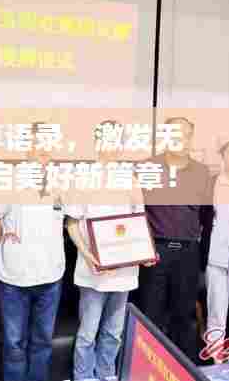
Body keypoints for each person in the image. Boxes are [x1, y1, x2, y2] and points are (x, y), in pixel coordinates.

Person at [66, 120, 155, 381]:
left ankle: (106, 374)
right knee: (87, 333)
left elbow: (139, 221)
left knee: (114, 332)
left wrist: (145, 252)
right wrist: (88, 255)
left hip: (125, 271)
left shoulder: (131, 179)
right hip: (93, 270)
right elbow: (72, 223)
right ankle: (84, 377)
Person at [0, 126, 74, 381]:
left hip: (51, 277)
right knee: (14, 344)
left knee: (43, 342)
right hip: (14, 279)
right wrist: (3, 236)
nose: (44, 149)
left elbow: (73, 220)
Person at [138, 117, 213, 363]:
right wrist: (145, 247)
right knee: (150, 315)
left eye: (185, 134)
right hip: (155, 251)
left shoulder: (201, 172)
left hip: (188, 253)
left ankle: (183, 369)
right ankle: (146, 369)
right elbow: (137, 211)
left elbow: (206, 215)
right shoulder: (148, 167)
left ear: (190, 138)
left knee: (184, 316)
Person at [204, 136, 229, 363]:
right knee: (216, 314)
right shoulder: (211, 184)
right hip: (216, 260)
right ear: (222, 155)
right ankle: (216, 362)